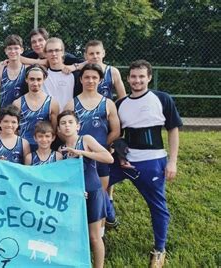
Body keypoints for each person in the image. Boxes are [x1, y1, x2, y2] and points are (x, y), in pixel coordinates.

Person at [109, 60, 182, 268]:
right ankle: (110, 216)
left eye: (142, 76)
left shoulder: (161, 99)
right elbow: (117, 135)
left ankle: (160, 249)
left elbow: (173, 130)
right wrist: (120, 154)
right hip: (124, 161)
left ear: (149, 77)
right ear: (128, 78)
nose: (137, 80)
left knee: (157, 206)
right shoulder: (120, 103)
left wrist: (173, 161)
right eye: (133, 76)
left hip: (152, 162)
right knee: (97, 183)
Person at [64, 63, 120, 229]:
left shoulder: (108, 103)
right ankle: (79, 232)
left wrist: (100, 147)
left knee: (100, 196)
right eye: (87, 77)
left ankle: (100, 233)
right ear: (80, 79)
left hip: (99, 159)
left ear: (100, 80)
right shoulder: (71, 104)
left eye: (94, 77)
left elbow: (116, 130)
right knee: (77, 197)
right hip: (77, 161)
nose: (90, 80)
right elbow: (64, 131)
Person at [57, 110, 114, 268]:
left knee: (94, 236)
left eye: (70, 122)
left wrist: (81, 153)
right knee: (73, 235)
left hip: (93, 192)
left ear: (78, 126)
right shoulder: (61, 150)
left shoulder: (86, 140)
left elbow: (108, 158)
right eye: (63, 123)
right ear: (59, 129)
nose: (67, 126)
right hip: (75, 195)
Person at [12, 65, 59, 151]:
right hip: (23, 147)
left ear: (44, 79)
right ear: (26, 79)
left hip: (43, 147)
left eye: (39, 79)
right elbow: (14, 130)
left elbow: (54, 130)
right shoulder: (17, 103)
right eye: (32, 79)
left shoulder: (52, 103)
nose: (35, 83)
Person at [43, 37, 77, 112]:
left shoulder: (74, 74)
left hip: (67, 119)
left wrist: (75, 66)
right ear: (45, 54)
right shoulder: (42, 76)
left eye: (57, 50)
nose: (54, 54)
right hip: (48, 119)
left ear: (62, 52)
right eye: (50, 51)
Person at [0, 34, 27, 108]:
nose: (13, 51)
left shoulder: (27, 69)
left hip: (22, 114)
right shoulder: (0, 68)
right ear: (5, 51)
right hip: (5, 114)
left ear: (22, 50)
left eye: (16, 48)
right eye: (10, 48)